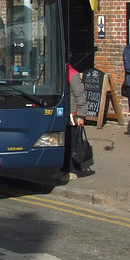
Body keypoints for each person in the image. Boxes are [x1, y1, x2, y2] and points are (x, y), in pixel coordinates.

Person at [52, 53, 88, 182]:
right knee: (65, 143)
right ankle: (63, 169)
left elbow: (80, 96)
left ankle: (73, 171)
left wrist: (81, 115)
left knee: (73, 144)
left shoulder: (73, 74)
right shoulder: (60, 73)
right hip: (63, 114)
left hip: (72, 115)